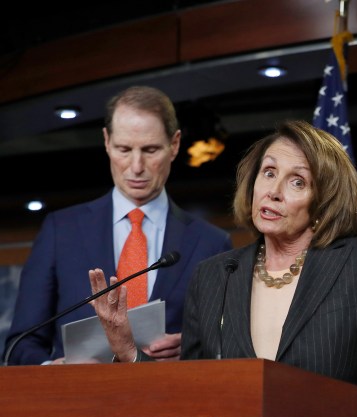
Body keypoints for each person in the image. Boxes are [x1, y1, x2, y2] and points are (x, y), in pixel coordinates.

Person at [89, 120, 357, 402]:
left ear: (323, 202)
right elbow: (191, 392)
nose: (272, 191)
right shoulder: (213, 275)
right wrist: (127, 350)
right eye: (268, 173)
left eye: (296, 181)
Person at [5, 85, 233, 365]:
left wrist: (193, 348)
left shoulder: (211, 243)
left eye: (150, 150)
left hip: (171, 404)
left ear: (174, 145)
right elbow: (20, 344)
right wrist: (52, 370)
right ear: (106, 141)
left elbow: (228, 348)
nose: (136, 167)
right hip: (78, 401)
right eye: (124, 149)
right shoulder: (60, 231)